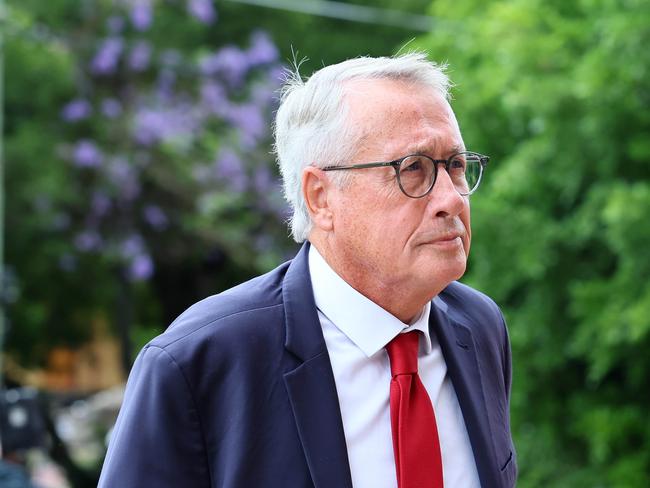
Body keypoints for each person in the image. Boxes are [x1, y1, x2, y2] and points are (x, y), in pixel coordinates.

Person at [98, 53, 516, 488]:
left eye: (454, 165)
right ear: (320, 197)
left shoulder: (479, 328)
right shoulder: (200, 362)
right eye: (413, 169)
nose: (450, 198)